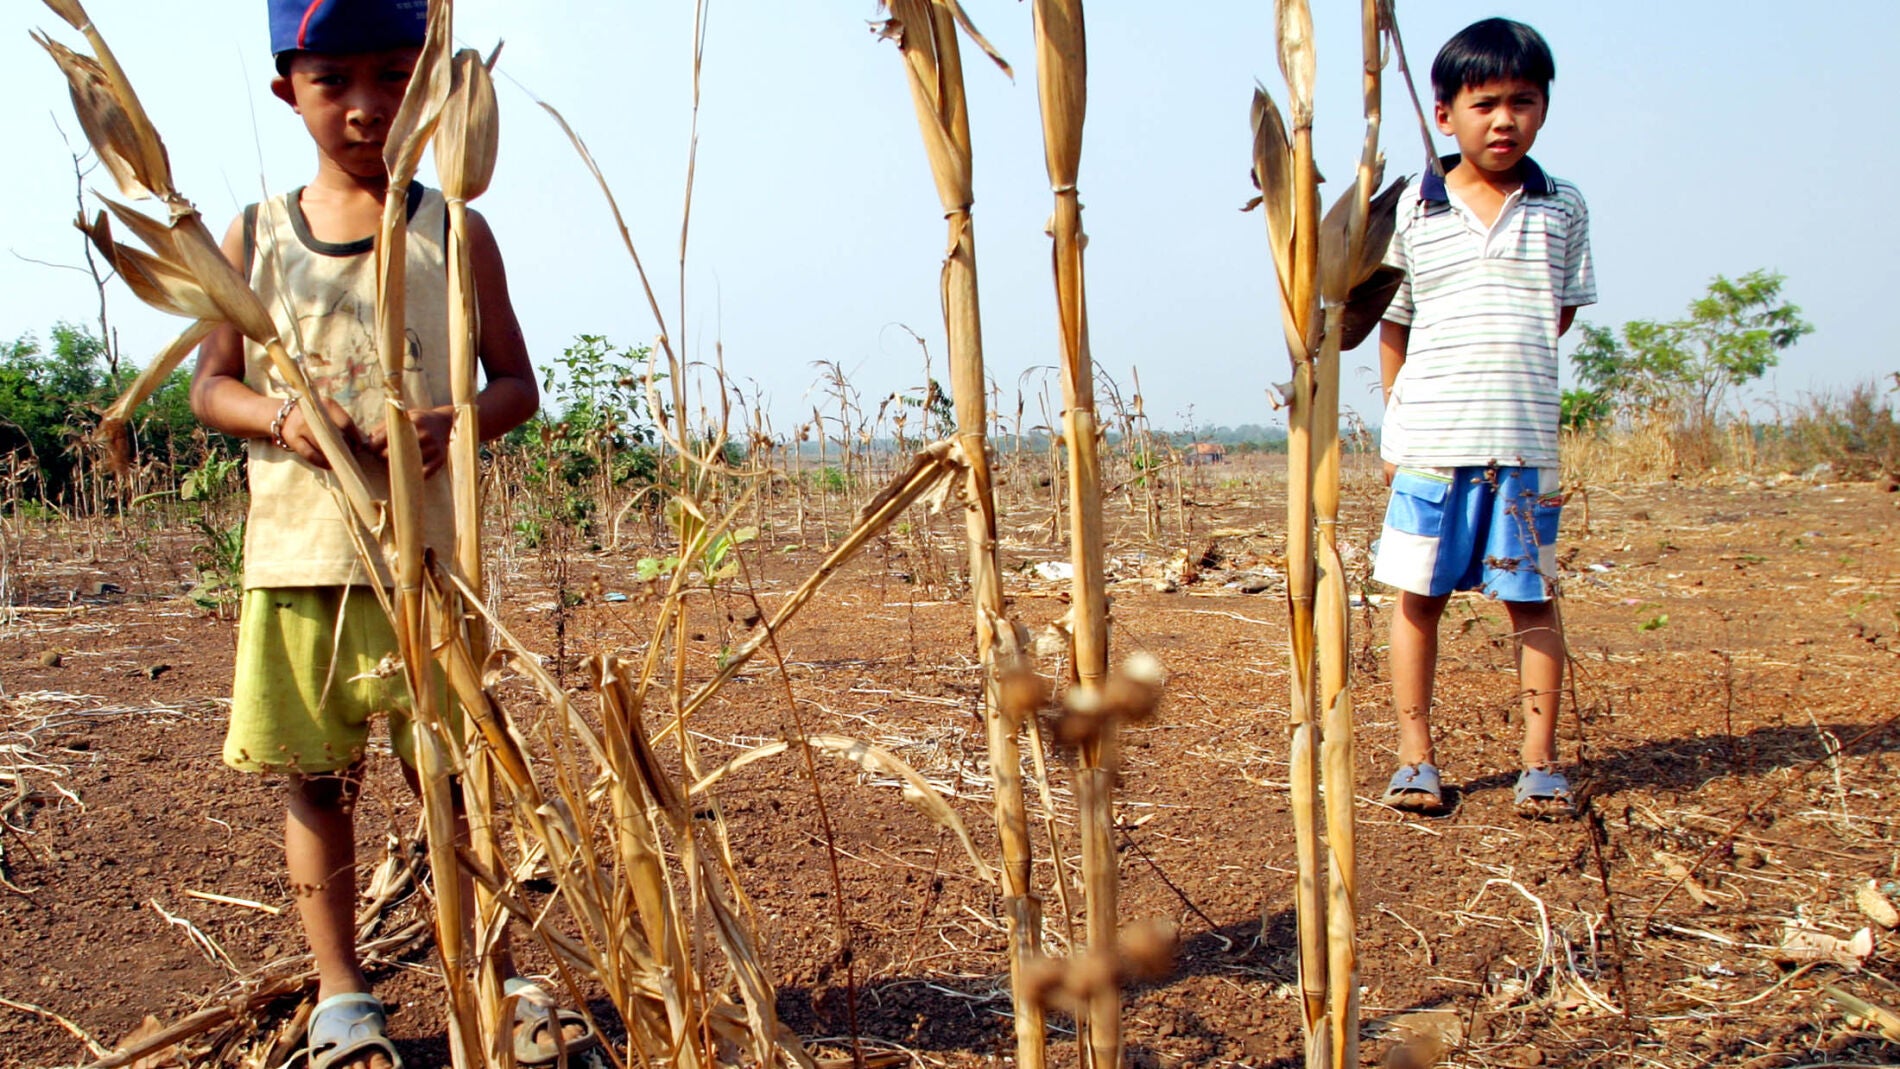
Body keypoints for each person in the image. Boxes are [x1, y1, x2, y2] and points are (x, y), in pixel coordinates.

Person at [189, 3, 593, 1066]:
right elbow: (211, 388)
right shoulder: (257, 233)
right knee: (317, 783)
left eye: (391, 75)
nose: (366, 105)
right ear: (289, 89)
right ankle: (342, 999)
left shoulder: (453, 227)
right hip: (299, 562)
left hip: (427, 570)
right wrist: (293, 420)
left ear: (428, 86)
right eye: (334, 81)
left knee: (454, 776)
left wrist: (453, 420)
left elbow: (516, 384)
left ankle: (500, 979)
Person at [1372, 16, 1595, 817]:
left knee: (1530, 600)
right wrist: (1397, 428)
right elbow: (1392, 325)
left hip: (1523, 446)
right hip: (1431, 442)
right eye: (1486, 103)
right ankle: (1415, 757)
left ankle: (1539, 762)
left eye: (1524, 102)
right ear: (1445, 114)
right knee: (1417, 599)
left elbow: (1557, 315)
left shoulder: (1561, 207)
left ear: (1543, 108)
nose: (1505, 120)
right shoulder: (1413, 211)